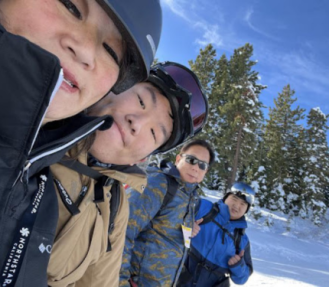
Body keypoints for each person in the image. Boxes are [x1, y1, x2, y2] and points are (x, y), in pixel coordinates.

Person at [0, 1, 162, 286]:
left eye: (111, 51)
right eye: (71, 6)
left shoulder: (37, 179)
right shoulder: (47, 170)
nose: (87, 49)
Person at [47, 62, 209, 287]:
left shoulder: (114, 205)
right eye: (141, 101)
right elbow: (129, 238)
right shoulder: (34, 124)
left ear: (141, 158)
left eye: (153, 133)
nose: (138, 123)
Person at [119, 139, 215, 287]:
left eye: (202, 165)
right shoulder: (158, 183)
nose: (196, 168)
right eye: (191, 160)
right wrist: (121, 282)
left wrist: (189, 226)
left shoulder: (190, 196)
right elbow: (121, 231)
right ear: (178, 158)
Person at [177, 182, 254, 287]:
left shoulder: (242, 239)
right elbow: (172, 217)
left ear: (246, 209)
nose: (237, 206)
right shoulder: (203, 208)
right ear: (225, 197)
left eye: (243, 204)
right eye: (234, 199)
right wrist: (186, 225)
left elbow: (242, 279)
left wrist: (237, 265)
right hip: (181, 279)